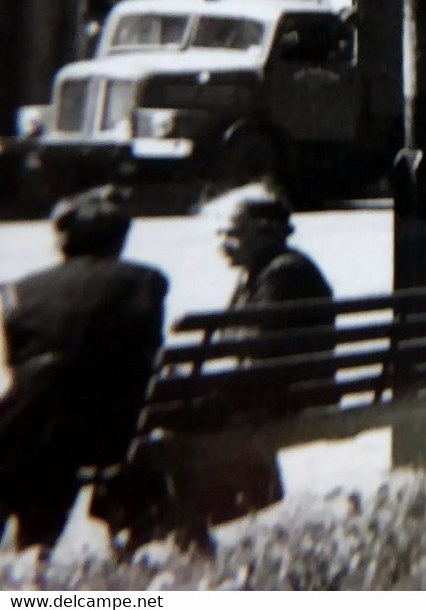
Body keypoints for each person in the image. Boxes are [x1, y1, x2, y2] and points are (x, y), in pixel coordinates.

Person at [151, 182, 334, 555]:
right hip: (272, 388)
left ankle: (190, 526)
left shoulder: (284, 274)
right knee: (165, 411)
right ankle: (187, 524)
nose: (222, 242)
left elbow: (253, 351)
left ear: (266, 231)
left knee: (173, 417)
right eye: (220, 232)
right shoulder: (267, 270)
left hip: (285, 396)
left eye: (232, 233)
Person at [0, 186, 167, 554]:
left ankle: (28, 552)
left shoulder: (15, 293)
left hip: (33, 436)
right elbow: (148, 350)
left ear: (61, 240)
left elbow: (11, 369)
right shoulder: (147, 282)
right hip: (113, 432)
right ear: (120, 239)